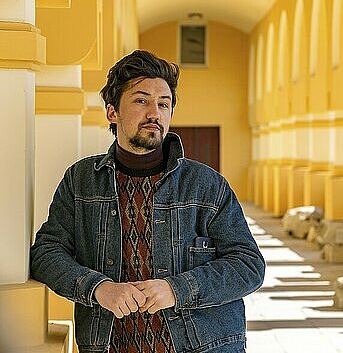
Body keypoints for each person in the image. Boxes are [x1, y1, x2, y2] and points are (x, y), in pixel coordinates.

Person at [30, 50, 265, 353]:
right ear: (112, 112)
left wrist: (176, 289)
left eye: (163, 104)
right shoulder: (81, 181)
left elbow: (248, 265)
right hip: (110, 346)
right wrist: (98, 288)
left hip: (202, 347)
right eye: (141, 101)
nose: (154, 112)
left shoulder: (207, 185)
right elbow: (46, 254)